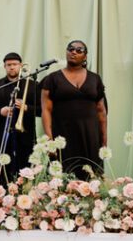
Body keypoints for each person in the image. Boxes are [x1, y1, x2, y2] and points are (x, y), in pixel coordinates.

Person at [40, 40, 107, 178]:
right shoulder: (52, 79)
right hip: (63, 137)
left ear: (85, 56)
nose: (73, 52)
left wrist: (104, 141)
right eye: (70, 49)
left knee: (92, 179)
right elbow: (46, 110)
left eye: (79, 50)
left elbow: (101, 110)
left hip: (90, 136)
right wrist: (49, 139)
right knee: (63, 179)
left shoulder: (95, 79)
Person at [0, 52, 39, 184]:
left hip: (26, 139)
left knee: (26, 178)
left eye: (15, 64)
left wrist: (27, 108)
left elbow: (42, 110)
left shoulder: (33, 85)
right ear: (4, 67)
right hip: (2, 140)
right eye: (9, 65)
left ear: (21, 66)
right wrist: (1, 111)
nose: (12, 67)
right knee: (2, 178)